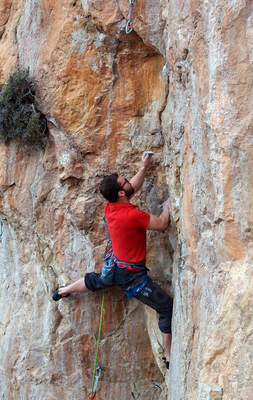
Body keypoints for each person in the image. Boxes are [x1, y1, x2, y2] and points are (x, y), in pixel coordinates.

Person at [52, 152, 173, 369]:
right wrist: (167, 206)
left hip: (114, 265)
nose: (129, 181)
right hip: (131, 276)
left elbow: (131, 187)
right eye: (125, 181)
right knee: (165, 307)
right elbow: (163, 224)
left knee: (98, 281)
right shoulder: (132, 215)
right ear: (120, 192)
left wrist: (144, 167)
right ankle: (169, 355)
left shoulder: (111, 207)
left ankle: (63, 290)